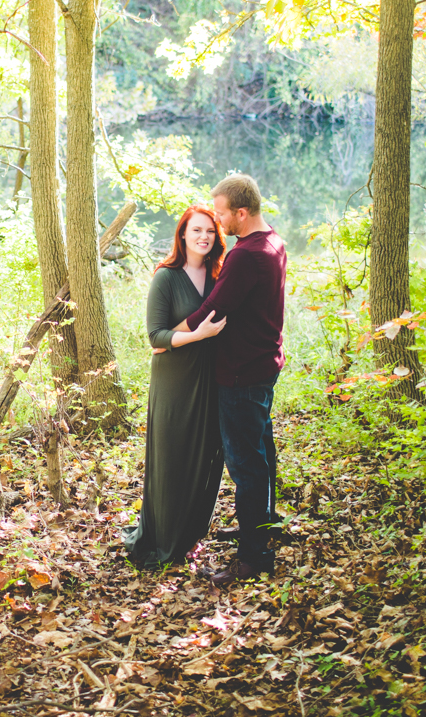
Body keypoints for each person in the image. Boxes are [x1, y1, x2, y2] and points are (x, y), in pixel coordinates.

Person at [173, 174, 286, 586]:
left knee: (246, 465)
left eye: (220, 213)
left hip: (242, 373)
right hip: (263, 365)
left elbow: (214, 311)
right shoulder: (273, 242)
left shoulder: (246, 256)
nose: (217, 221)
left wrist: (169, 334)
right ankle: (263, 522)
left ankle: (254, 557)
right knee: (262, 451)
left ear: (241, 212)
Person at [122, 206, 228, 568]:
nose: (203, 237)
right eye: (196, 230)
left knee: (205, 455)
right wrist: (197, 334)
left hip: (212, 379)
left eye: (210, 231)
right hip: (174, 379)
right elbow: (155, 336)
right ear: (182, 234)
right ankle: (163, 538)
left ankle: (189, 534)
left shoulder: (219, 275)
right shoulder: (166, 278)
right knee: (172, 457)